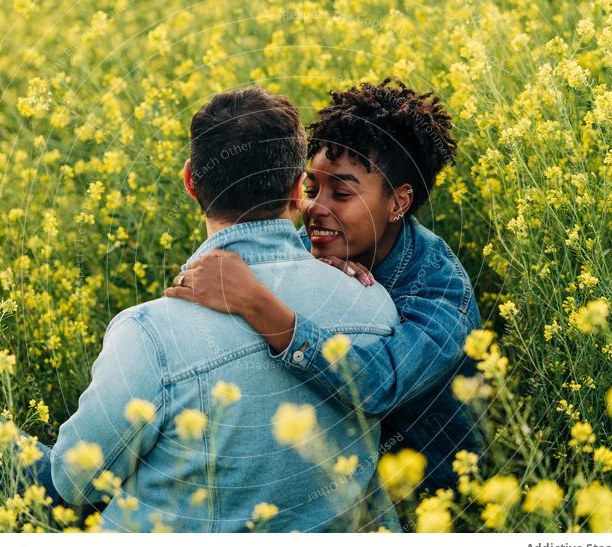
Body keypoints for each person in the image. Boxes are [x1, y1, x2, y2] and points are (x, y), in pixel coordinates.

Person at [0, 86, 404, 533]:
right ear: (298, 189)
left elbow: (73, 482)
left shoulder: (150, 333)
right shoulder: (374, 305)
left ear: (190, 182)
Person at [165, 79, 485, 505]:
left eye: (342, 193)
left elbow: (377, 385)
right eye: (312, 188)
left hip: (432, 501)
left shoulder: (439, 288)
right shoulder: (308, 248)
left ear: (398, 203)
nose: (316, 208)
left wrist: (259, 304)